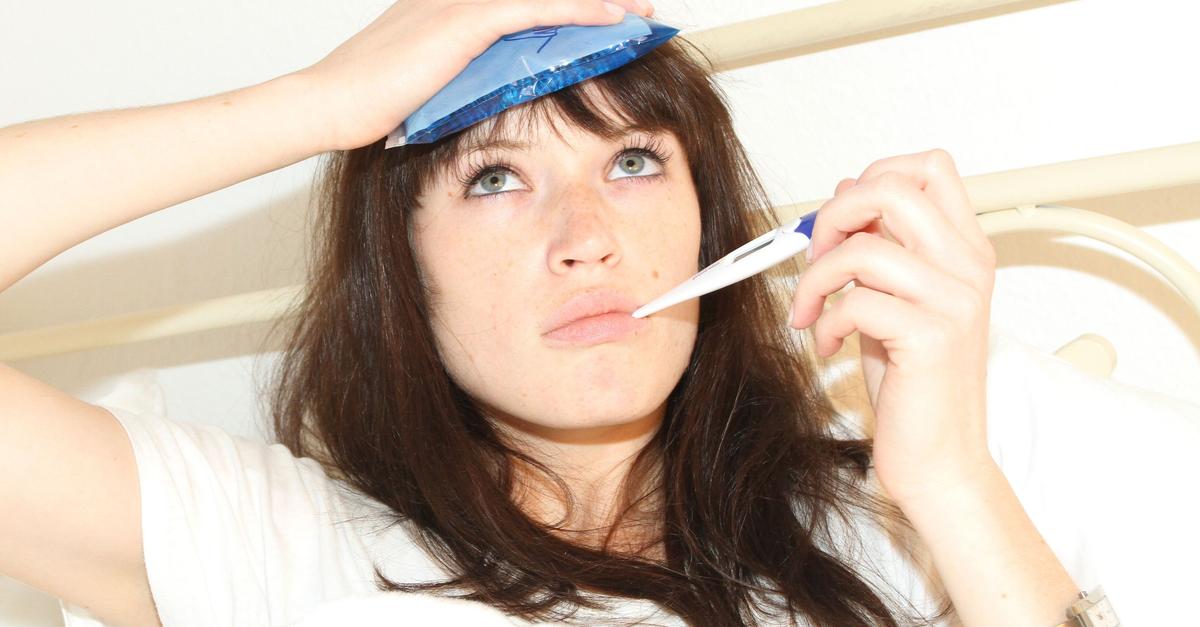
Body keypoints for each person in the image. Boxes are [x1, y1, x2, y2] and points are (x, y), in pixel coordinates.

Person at [0, 0, 1083, 625]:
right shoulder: (275, 544)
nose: (586, 235)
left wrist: (953, 480)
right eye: (494, 178)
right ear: (401, 271)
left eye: (633, 161)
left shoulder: (899, 527)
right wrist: (315, 105)